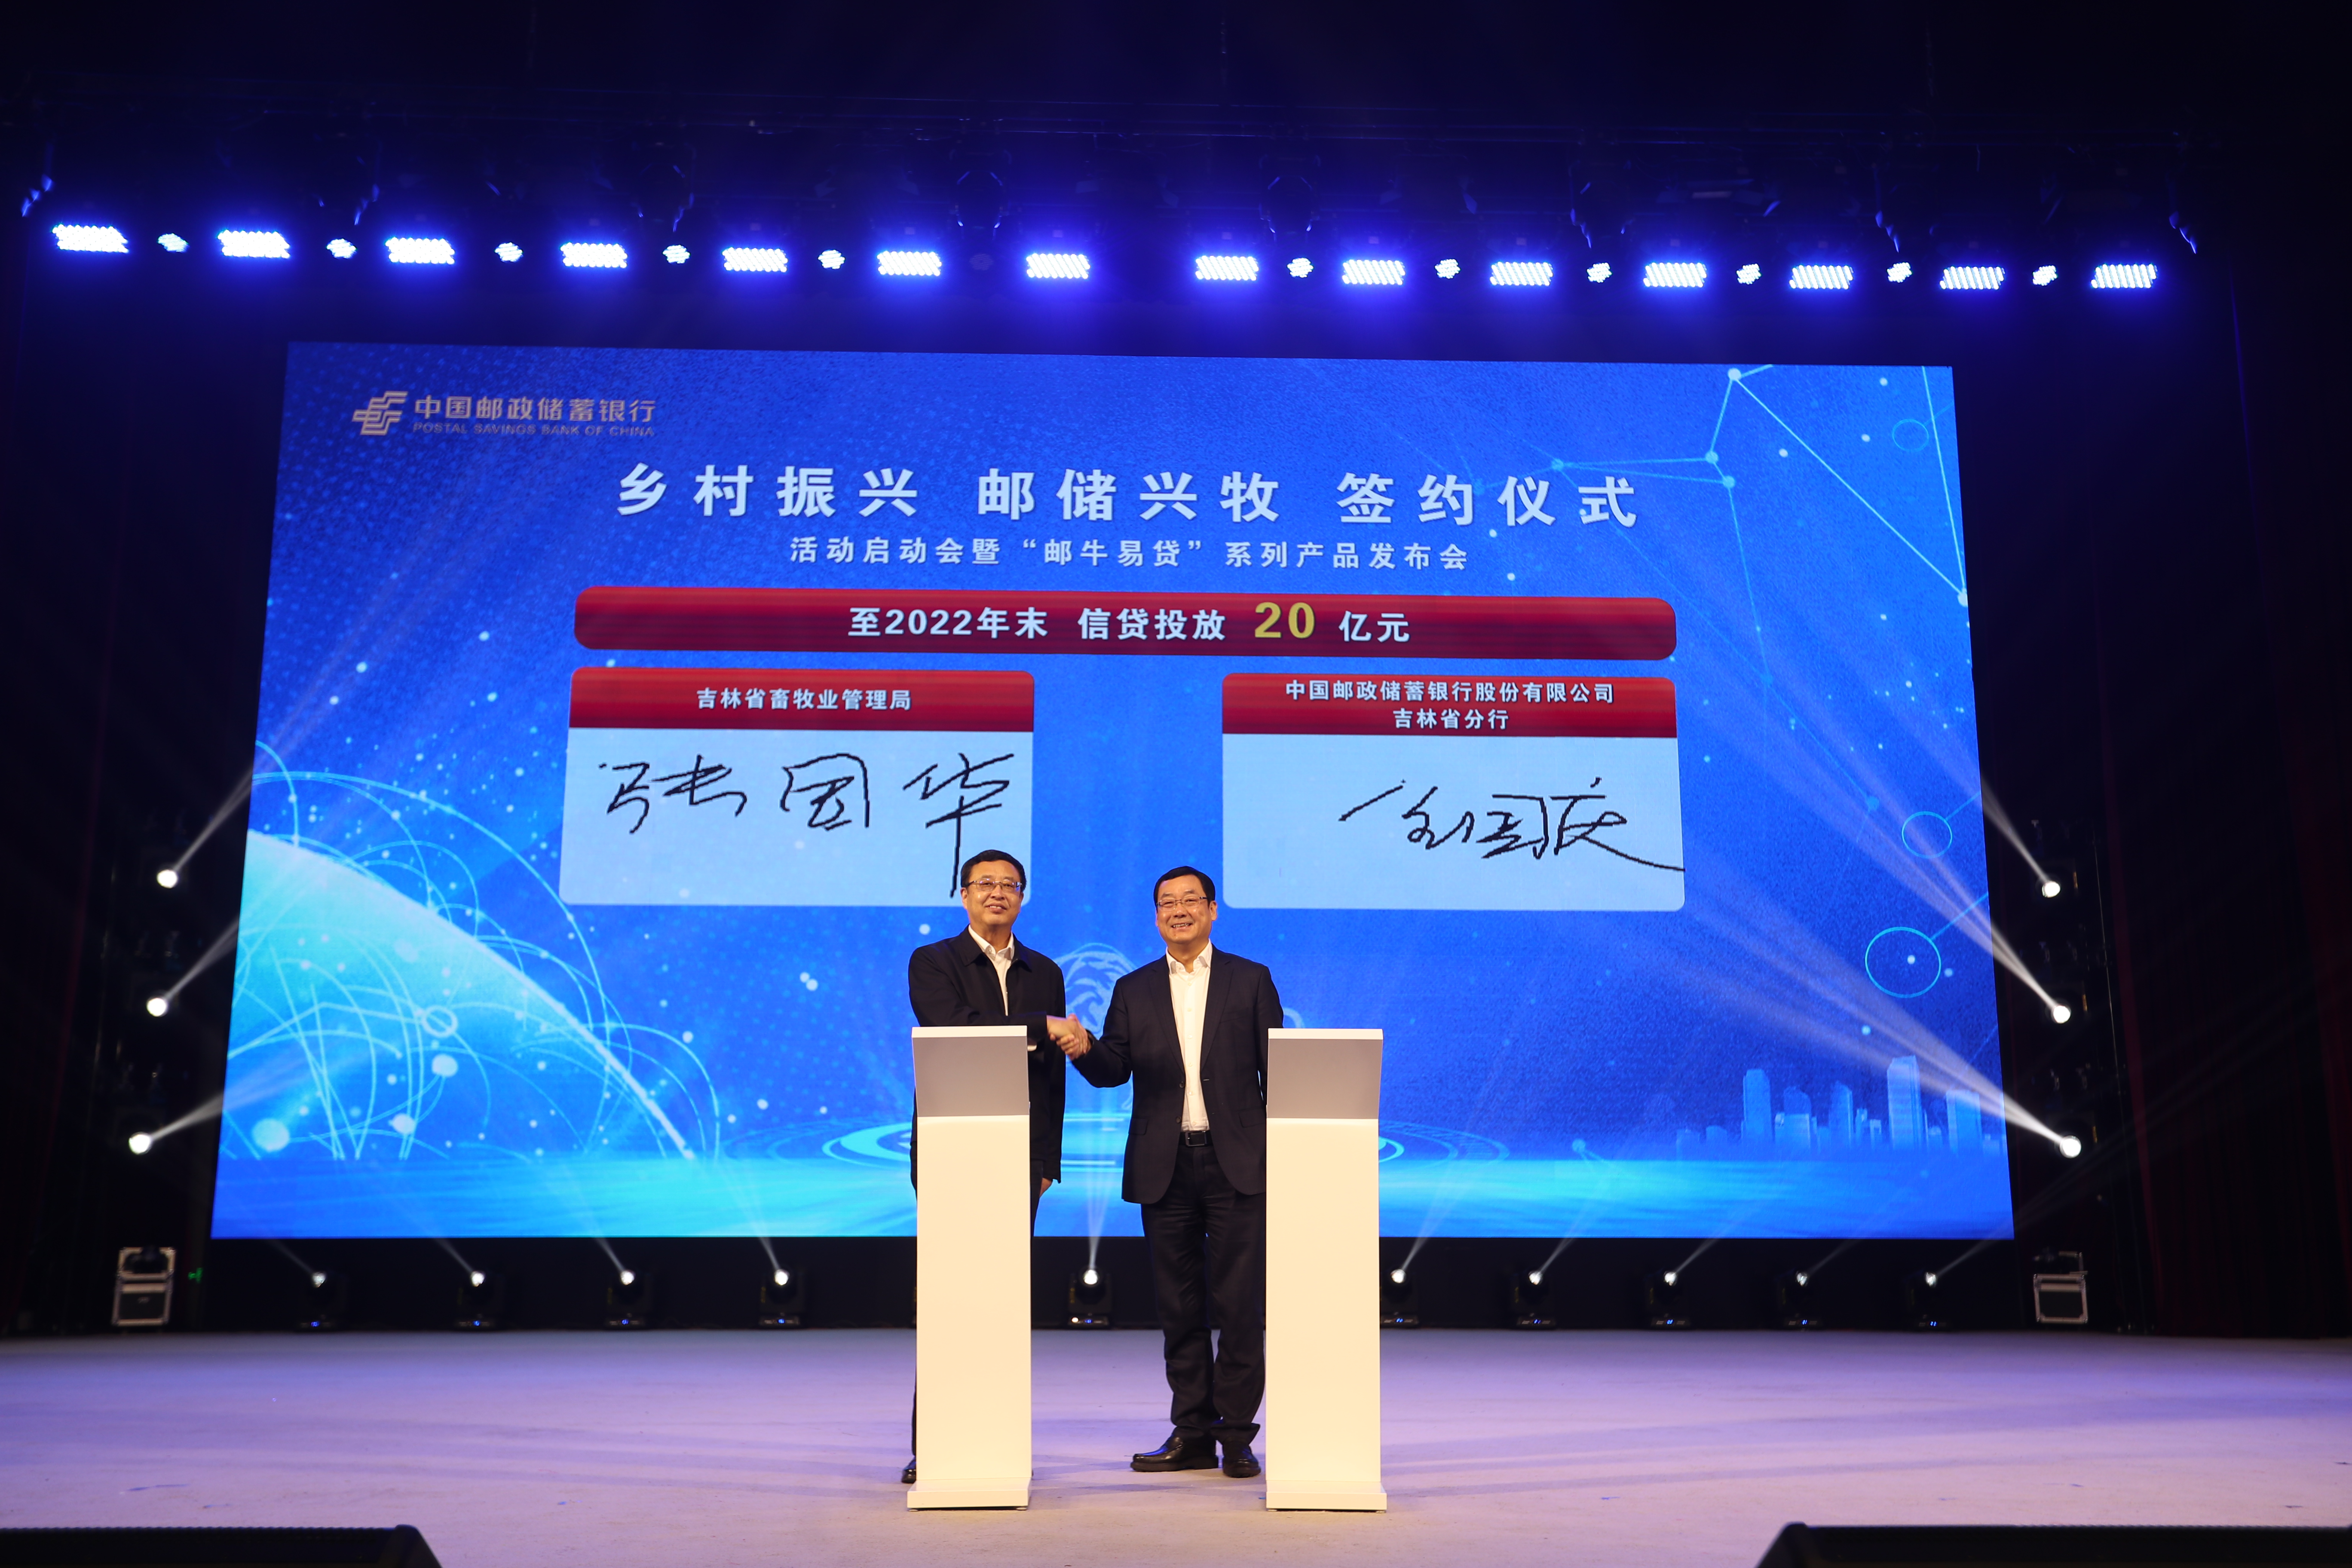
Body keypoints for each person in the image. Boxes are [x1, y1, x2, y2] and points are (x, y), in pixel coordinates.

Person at [1066, 865, 1282, 1481]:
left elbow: (1281, 1071)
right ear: (1157, 916)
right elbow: (1114, 1069)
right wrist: (1084, 1048)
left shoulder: (1251, 979)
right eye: (1167, 902)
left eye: (1191, 900)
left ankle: (1236, 1436)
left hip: (1236, 1162)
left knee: (1239, 1307)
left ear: (1212, 910)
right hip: (1165, 1165)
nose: (1179, 910)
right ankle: (1192, 1432)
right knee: (1179, 1309)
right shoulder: (1133, 988)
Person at [900, 848, 1087, 1486]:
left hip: (1020, 1155)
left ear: (1023, 897)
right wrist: (1043, 1026)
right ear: (964, 895)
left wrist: (1048, 1159)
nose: (998, 894)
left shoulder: (1045, 971)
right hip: (951, 1149)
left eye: (1010, 885)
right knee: (950, 1298)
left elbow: (1053, 1076)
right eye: (985, 884)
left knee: (1004, 1300)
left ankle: (996, 1438)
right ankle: (934, 1444)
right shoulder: (933, 961)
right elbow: (957, 1027)